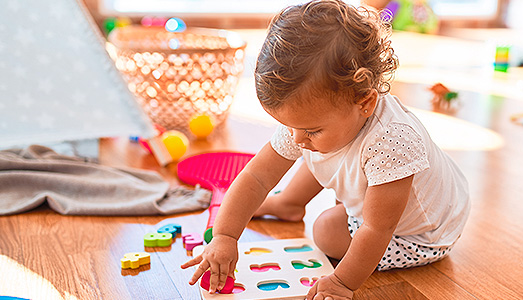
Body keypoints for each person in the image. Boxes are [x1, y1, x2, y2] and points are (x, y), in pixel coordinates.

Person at [181, 0, 470, 299]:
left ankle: (296, 203)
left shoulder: (392, 142)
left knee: (326, 229)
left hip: (422, 234)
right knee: (319, 148)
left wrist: (343, 282)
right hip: (381, 195)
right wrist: (225, 236)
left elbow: (377, 229)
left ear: (365, 102)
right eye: (289, 126)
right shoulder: (317, 119)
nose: (296, 137)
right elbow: (256, 177)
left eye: (310, 128)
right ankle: (289, 203)